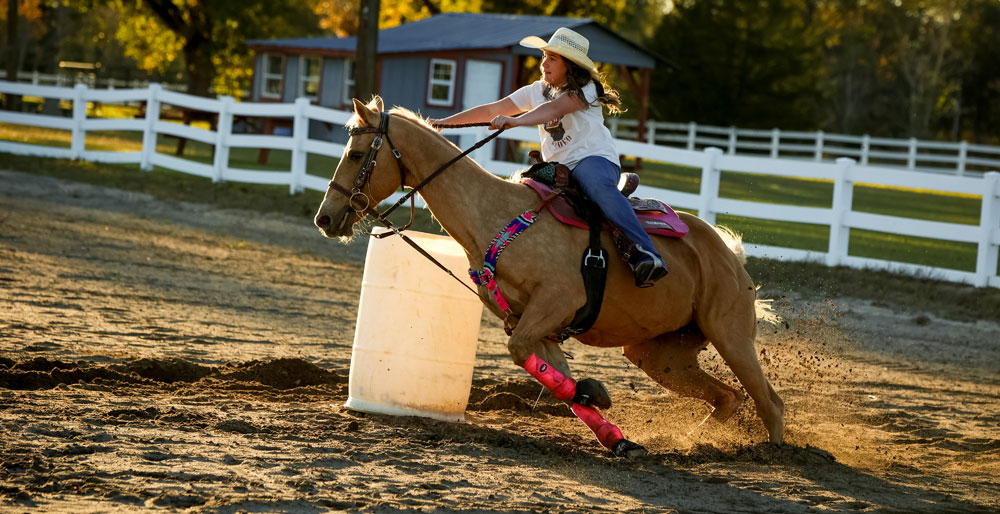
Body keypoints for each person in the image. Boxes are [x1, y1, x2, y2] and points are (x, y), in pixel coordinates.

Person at [431, 27, 667, 287]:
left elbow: (554, 108)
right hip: (559, 167)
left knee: (597, 185)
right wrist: (445, 123)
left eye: (552, 58)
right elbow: (493, 109)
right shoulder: (536, 90)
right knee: (525, 195)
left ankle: (647, 253)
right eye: (544, 56)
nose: (544, 63)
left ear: (570, 65)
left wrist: (514, 121)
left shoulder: (586, 88)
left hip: (594, 160)